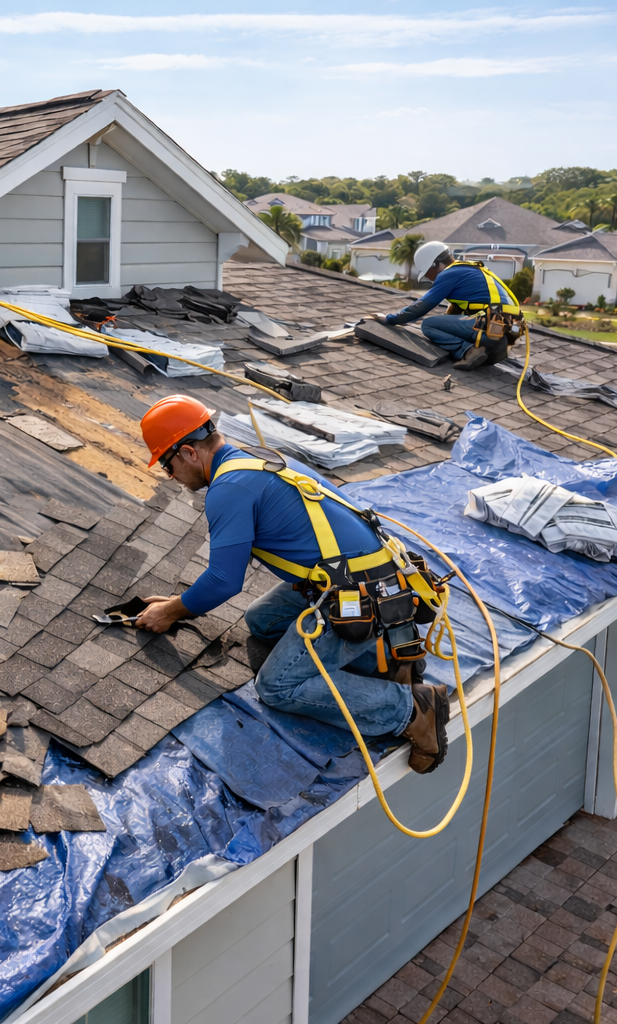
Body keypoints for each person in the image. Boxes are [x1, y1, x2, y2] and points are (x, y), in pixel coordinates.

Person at [132, 395, 450, 774]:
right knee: (261, 620)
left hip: (356, 599)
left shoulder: (228, 488)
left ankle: (412, 709)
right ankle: (386, 659)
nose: (172, 478)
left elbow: (223, 580)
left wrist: (170, 612)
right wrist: (181, 601)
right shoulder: (255, 457)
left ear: (187, 452)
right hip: (374, 580)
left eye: (168, 467)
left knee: (277, 687)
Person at [371, 241, 523, 370]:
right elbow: (456, 311)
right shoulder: (468, 270)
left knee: (429, 325)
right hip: (506, 329)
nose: (428, 278)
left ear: (435, 264)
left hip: (488, 326)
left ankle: (468, 350)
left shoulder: (448, 274)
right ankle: (484, 345)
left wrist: (390, 319)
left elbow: (422, 305)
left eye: (427, 273)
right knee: (441, 322)